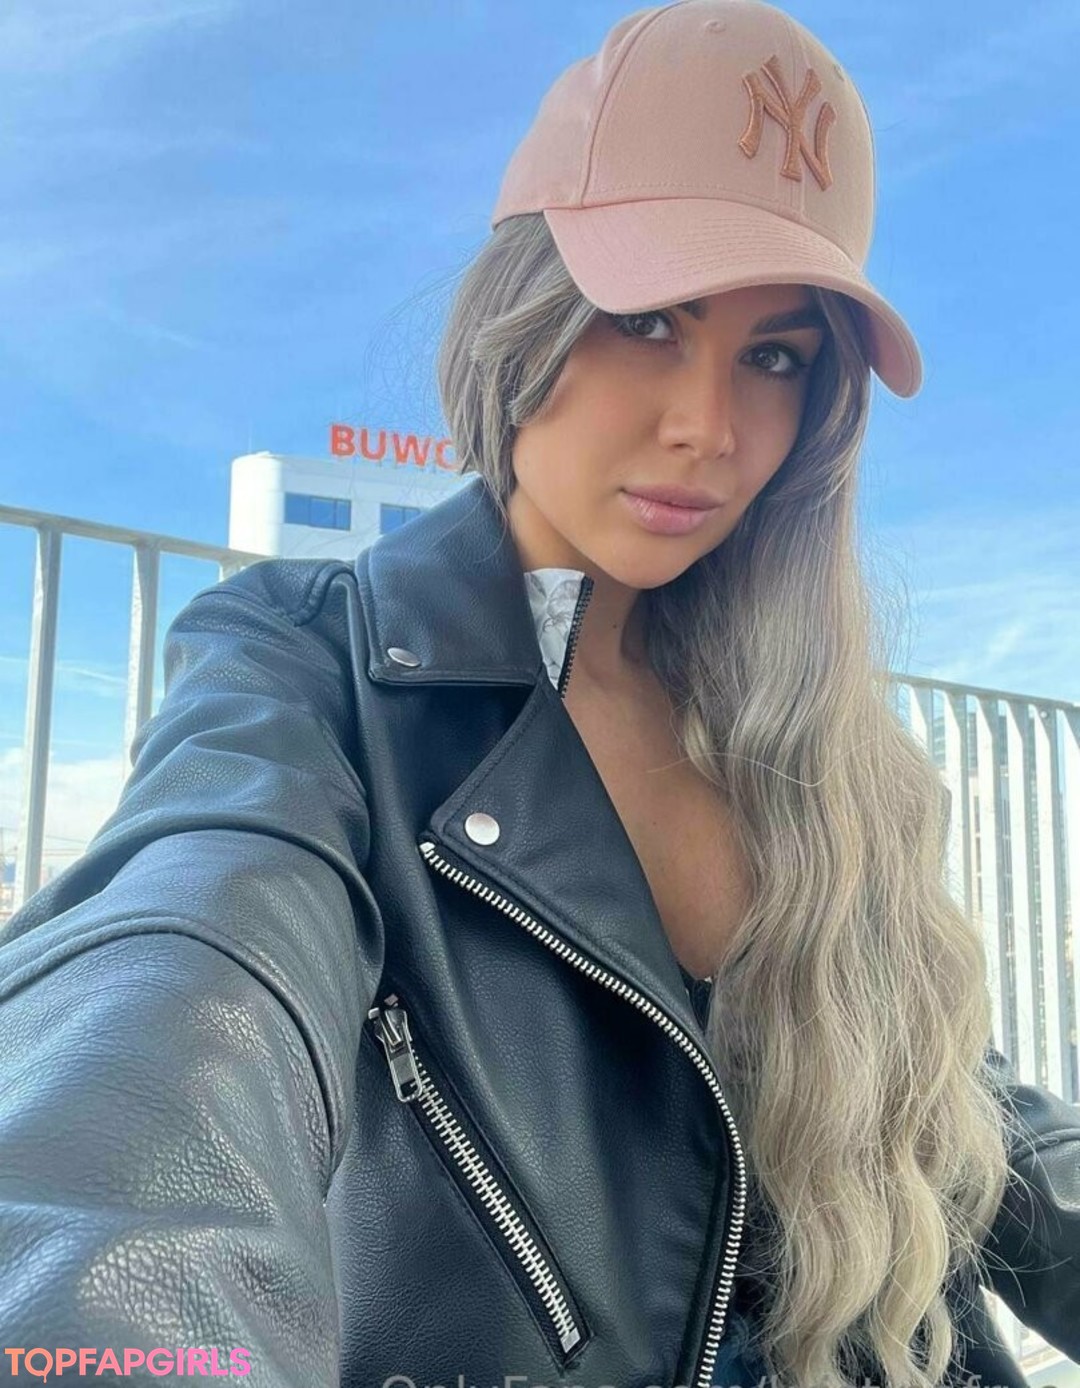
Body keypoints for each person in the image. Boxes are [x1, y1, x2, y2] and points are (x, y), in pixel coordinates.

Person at [0, 1, 1078, 1385]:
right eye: (647, 320)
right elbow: (178, 986)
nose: (708, 425)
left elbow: (946, 1103)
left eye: (776, 355)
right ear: (525, 315)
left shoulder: (804, 730)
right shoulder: (306, 667)